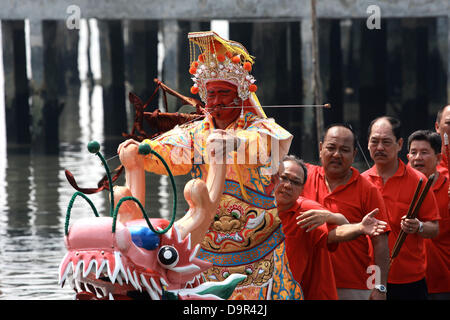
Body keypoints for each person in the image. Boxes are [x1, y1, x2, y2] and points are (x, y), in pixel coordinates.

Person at [116, 31, 301, 300]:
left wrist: (233, 143)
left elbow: (267, 146)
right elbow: (168, 152)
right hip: (205, 251)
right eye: (210, 94)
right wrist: (139, 152)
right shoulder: (197, 133)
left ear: (239, 95)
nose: (215, 101)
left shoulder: (260, 129)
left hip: (260, 249)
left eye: (223, 93)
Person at [275, 155, 387, 300]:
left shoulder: (305, 211)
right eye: (284, 178)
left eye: (295, 182)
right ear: (272, 177)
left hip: (299, 293)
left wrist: (359, 228)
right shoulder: (255, 206)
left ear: (302, 188)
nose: (288, 185)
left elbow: (334, 233)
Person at [301, 123, 390, 300]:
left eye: (344, 150)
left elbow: (380, 243)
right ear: (320, 149)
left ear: (354, 154)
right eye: (331, 148)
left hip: (352, 284)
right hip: (307, 281)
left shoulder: (367, 190)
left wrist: (380, 286)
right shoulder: (302, 177)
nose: (336, 155)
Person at [362, 116, 440, 300]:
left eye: (386, 142)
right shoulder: (361, 182)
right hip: (370, 275)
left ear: (399, 144)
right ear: (367, 144)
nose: (379, 147)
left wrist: (418, 226)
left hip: (409, 278)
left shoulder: (418, 180)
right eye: (374, 141)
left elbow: (434, 228)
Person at [407, 130, 450, 300]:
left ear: (439, 158)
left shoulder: (447, 189)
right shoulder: (399, 186)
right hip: (406, 281)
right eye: (413, 152)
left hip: (443, 281)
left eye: (424, 153)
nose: (418, 158)